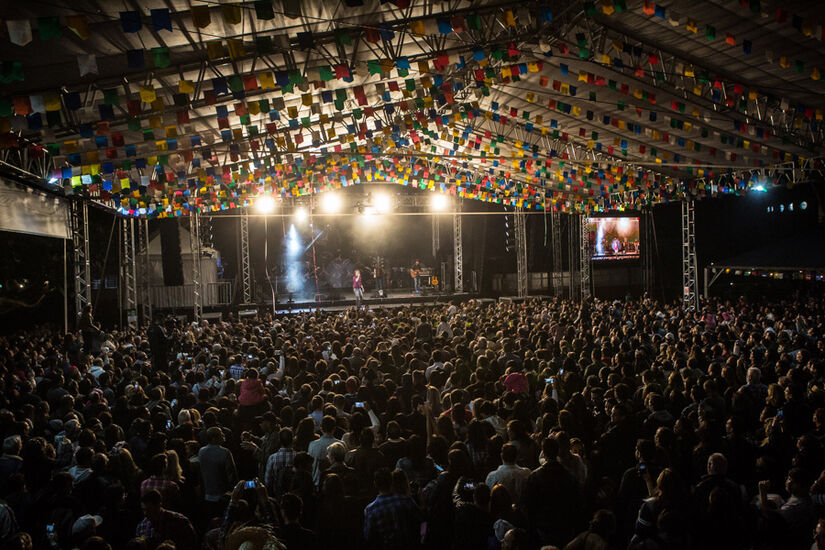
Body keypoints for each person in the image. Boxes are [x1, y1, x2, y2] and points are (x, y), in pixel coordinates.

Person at [521, 437, 584, 548]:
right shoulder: (569, 476)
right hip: (565, 526)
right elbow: (577, 503)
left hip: (543, 527)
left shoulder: (535, 477)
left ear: (544, 453)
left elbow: (529, 505)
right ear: (558, 451)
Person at [363, 467, 423, 550]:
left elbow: (368, 537)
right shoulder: (406, 500)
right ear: (391, 481)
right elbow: (421, 517)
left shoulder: (370, 509)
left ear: (375, 484)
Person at [198, 427, 238, 521]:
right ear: (213, 438)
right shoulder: (225, 452)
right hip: (223, 495)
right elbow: (231, 474)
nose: (223, 435)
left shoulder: (201, 451)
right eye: (221, 434)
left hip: (208, 495)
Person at [307, 416, 341, 486]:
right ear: (334, 428)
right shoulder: (341, 445)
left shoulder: (312, 445)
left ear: (321, 428)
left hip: (317, 482)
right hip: (337, 483)